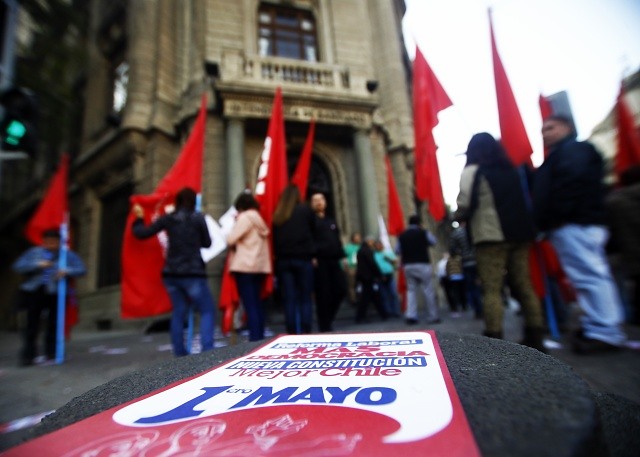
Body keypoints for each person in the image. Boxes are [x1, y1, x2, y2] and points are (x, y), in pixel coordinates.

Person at [533, 115, 627, 353]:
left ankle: (605, 331)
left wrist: (557, 215)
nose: (545, 133)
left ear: (566, 127)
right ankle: (598, 325)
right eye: (543, 129)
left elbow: (571, 184)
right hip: (572, 222)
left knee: (590, 275)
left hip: (575, 222)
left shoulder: (573, 151)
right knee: (585, 276)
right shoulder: (565, 153)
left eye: (550, 128)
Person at [455, 133, 545, 351]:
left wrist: (456, 216)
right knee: (524, 285)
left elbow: (464, 203)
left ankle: (494, 337)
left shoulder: (472, 170)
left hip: (490, 236)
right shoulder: (511, 170)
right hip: (520, 234)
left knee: (492, 288)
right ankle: (536, 334)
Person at [132, 187, 215, 357]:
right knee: (207, 310)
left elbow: (141, 233)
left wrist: (139, 218)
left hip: (171, 274)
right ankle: (208, 352)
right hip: (193, 273)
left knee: (179, 311)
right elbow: (207, 243)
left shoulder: (168, 219)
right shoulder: (198, 218)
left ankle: (179, 353)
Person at [12, 228, 86, 366]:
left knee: (54, 324)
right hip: (35, 291)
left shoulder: (67, 255)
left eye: (54, 242)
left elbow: (82, 269)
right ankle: (28, 355)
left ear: (59, 242)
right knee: (31, 324)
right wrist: (37, 265)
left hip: (56, 293)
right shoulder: (34, 253)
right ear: (44, 242)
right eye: (48, 242)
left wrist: (67, 271)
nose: (51, 244)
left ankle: (52, 352)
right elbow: (18, 266)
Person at [226, 191, 271, 341]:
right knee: (257, 304)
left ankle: (254, 339)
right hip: (259, 267)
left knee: (250, 304)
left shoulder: (244, 218)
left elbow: (231, 239)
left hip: (245, 267)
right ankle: (259, 336)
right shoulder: (259, 219)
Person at [272, 184, 316, 334]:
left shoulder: (278, 214)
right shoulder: (305, 211)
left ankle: (291, 331)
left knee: (289, 298)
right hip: (302, 259)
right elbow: (313, 231)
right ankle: (306, 330)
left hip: (284, 261)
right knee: (305, 297)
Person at [606, 165, 640, 326]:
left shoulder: (616, 201)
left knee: (619, 288)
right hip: (627, 251)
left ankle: (624, 318)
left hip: (622, 251)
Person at [310, 192, 347, 332]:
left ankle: (329, 318)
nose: (319, 202)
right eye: (315, 200)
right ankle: (324, 324)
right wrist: (312, 255)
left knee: (340, 290)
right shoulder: (311, 221)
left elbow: (337, 240)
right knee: (323, 294)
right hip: (320, 261)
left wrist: (343, 257)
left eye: (321, 199)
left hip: (334, 260)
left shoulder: (331, 220)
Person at [396, 215, 440, 325]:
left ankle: (411, 315)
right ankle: (433, 316)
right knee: (428, 289)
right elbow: (433, 242)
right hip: (423, 264)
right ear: (419, 223)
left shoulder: (402, 235)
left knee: (411, 290)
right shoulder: (423, 232)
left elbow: (397, 250)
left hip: (408, 265)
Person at [450, 222, 483, 319]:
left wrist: (461, 253)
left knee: (471, 287)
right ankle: (482, 307)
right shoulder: (475, 227)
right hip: (478, 261)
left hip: (466, 263)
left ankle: (477, 309)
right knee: (482, 286)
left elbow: (453, 250)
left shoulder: (457, 233)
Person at [355, 236, 387, 323]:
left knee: (373, 296)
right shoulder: (367, 251)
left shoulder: (361, 250)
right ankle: (360, 317)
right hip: (368, 277)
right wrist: (379, 274)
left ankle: (383, 314)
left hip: (364, 276)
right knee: (367, 298)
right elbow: (372, 264)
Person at [373, 239, 400, 317]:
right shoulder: (374, 255)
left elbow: (395, 261)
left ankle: (396, 311)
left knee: (393, 293)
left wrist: (389, 258)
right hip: (380, 276)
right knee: (384, 295)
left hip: (389, 275)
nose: (379, 246)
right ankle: (388, 311)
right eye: (377, 245)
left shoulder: (387, 252)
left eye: (380, 245)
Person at [343, 232, 361, 305]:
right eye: (357, 238)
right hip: (352, 267)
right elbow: (344, 258)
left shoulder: (361, 247)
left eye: (359, 238)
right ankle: (353, 300)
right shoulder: (348, 247)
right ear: (353, 239)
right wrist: (346, 267)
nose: (359, 239)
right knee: (351, 285)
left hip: (361, 268)